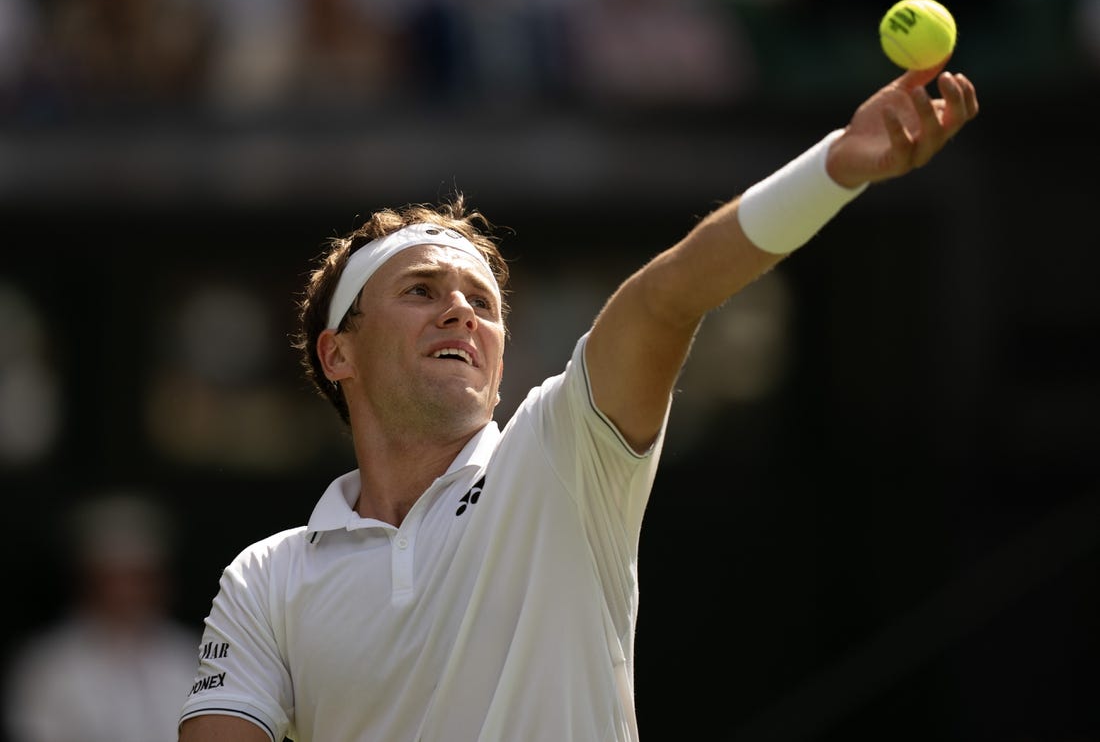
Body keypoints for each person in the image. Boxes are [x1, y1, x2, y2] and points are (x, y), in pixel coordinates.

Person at [177, 65, 979, 741]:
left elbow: (666, 300)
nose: (460, 313)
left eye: (481, 304)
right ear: (337, 352)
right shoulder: (266, 580)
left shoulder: (560, 451)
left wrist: (836, 166)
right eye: (421, 291)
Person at [4, 490, 199, 742]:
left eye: (141, 579)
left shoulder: (192, 654)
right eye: (114, 580)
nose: (128, 593)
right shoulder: (47, 664)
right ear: (89, 582)